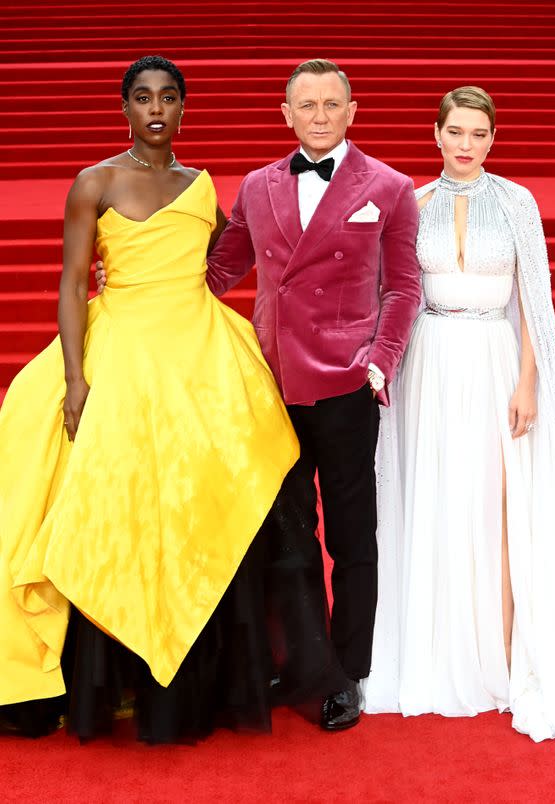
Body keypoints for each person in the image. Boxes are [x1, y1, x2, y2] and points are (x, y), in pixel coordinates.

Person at [0, 55, 345, 743]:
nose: (156, 108)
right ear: (125, 107)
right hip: (120, 345)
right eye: (142, 98)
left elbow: (228, 261)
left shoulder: (200, 187)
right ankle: (108, 671)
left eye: (168, 97)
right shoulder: (93, 182)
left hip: (199, 353)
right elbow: (72, 284)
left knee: (224, 490)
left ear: (184, 108)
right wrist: (73, 379)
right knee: (107, 495)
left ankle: (230, 671)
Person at [99, 58, 421, 730]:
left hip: (344, 385)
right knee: (288, 533)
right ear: (287, 114)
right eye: (307, 105)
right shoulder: (258, 185)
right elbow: (219, 268)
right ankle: (303, 663)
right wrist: (138, 279)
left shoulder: (388, 187)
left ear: (352, 110)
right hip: (270, 386)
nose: (321, 115)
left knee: (352, 538)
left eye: (333, 103)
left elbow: (404, 288)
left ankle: (350, 673)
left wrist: (378, 363)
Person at [362, 86, 555, 743]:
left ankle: (507, 658)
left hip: (494, 360)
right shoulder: (411, 203)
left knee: (496, 503)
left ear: (491, 139)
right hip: (427, 362)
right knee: (438, 499)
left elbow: (535, 298)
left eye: (478, 133)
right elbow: (388, 290)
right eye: (455, 131)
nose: (465, 144)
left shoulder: (517, 203)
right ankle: (437, 646)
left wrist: (530, 382)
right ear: (436, 134)